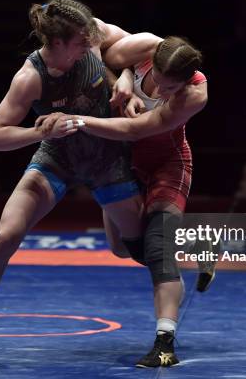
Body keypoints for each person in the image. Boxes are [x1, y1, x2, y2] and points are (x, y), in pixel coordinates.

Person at [0, 0, 144, 361]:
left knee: (127, 249)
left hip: (106, 158)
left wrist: (125, 76)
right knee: (7, 234)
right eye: (80, 44)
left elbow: (144, 52)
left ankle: (109, 207)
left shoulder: (91, 33)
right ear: (58, 43)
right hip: (58, 157)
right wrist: (39, 131)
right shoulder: (30, 77)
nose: (88, 47)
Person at [37, 33, 212, 367]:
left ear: (186, 81)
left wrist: (76, 121)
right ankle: (198, 246)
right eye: (156, 80)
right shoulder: (146, 44)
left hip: (167, 164)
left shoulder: (195, 93)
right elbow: (92, 36)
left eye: (169, 89)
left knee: (159, 245)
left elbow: (135, 130)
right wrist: (127, 78)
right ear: (152, 59)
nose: (161, 91)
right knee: (122, 248)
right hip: (120, 162)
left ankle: (164, 343)